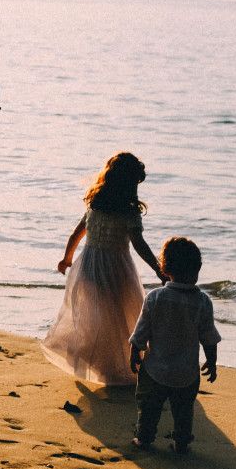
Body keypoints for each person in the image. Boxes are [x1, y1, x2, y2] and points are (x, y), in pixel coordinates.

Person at [41, 152, 166, 386]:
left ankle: (97, 361)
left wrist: (67, 259)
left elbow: (76, 234)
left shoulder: (95, 204)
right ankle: (115, 367)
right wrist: (158, 268)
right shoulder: (129, 211)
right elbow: (138, 244)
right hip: (116, 269)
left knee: (95, 318)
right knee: (119, 318)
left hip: (88, 267)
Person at [129, 236, 220, 454]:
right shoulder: (202, 302)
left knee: (149, 405)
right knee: (183, 409)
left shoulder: (155, 297)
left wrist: (135, 352)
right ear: (197, 270)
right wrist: (212, 361)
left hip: (155, 369)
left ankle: (144, 438)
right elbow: (208, 337)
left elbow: (142, 331)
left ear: (164, 268)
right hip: (186, 372)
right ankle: (181, 441)